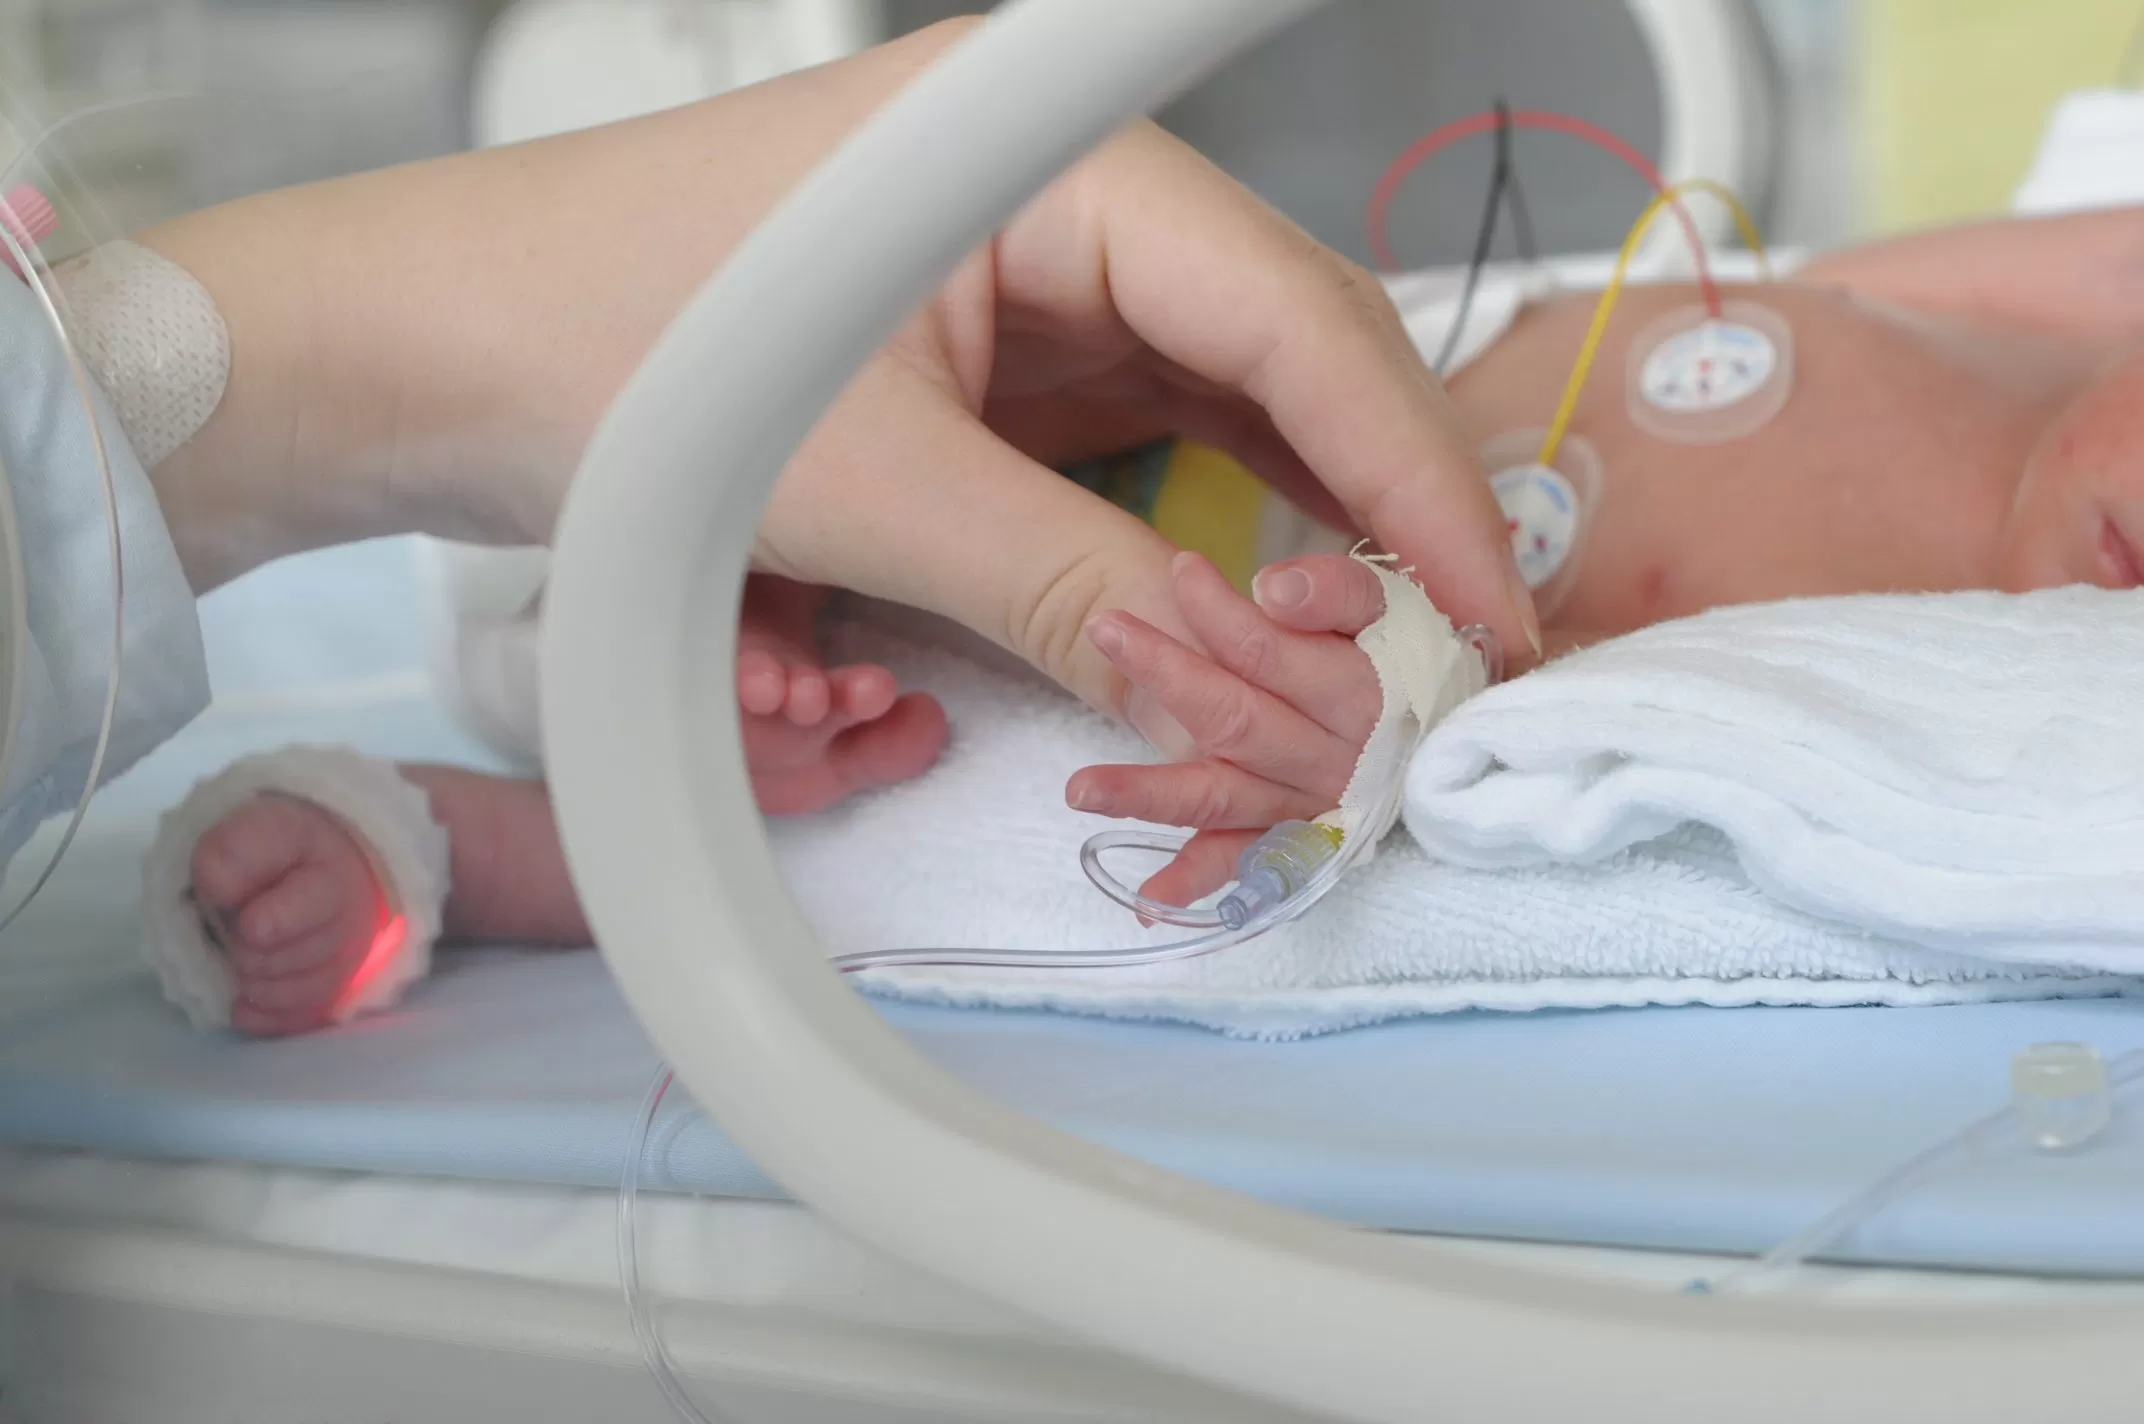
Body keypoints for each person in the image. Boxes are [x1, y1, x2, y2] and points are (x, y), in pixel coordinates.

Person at [183, 195, 2144, 1034]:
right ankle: (711, 588)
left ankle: (476, 841)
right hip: (1215, 394)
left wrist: (1392, 687)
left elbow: (1622, 728)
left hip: (1304, 626)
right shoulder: (2076, 308)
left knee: (926, 775)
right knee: (769, 402)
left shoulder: (1994, 648)